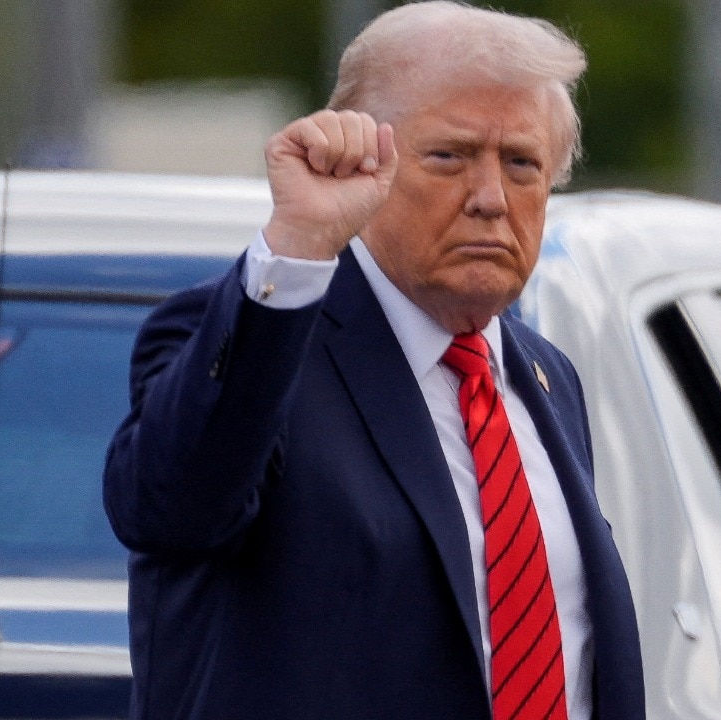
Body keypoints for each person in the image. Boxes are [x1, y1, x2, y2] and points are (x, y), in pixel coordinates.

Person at [102, 2, 646, 718]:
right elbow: (170, 510)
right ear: (365, 160)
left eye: (521, 163)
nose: (489, 198)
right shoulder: (263, 343)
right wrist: (297, 246)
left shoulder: (545, 377)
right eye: (449, 156)